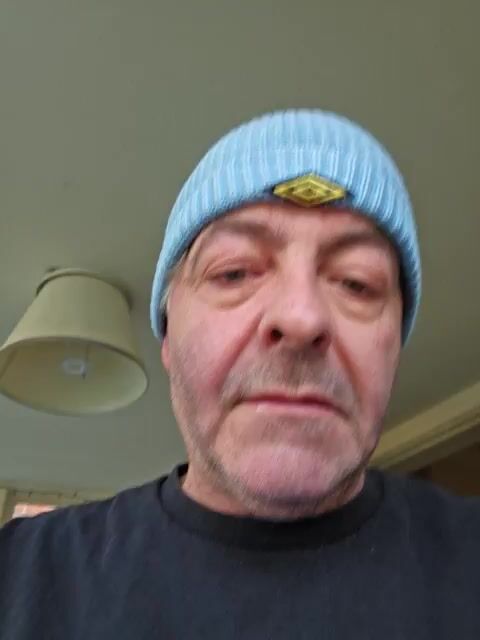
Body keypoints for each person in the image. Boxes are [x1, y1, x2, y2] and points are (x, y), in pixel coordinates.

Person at [0, 110, 479, 639]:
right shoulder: (17, 576)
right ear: (168, 336)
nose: (301, 318)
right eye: (233, 272)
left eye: (356, 282)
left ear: (394, 349)